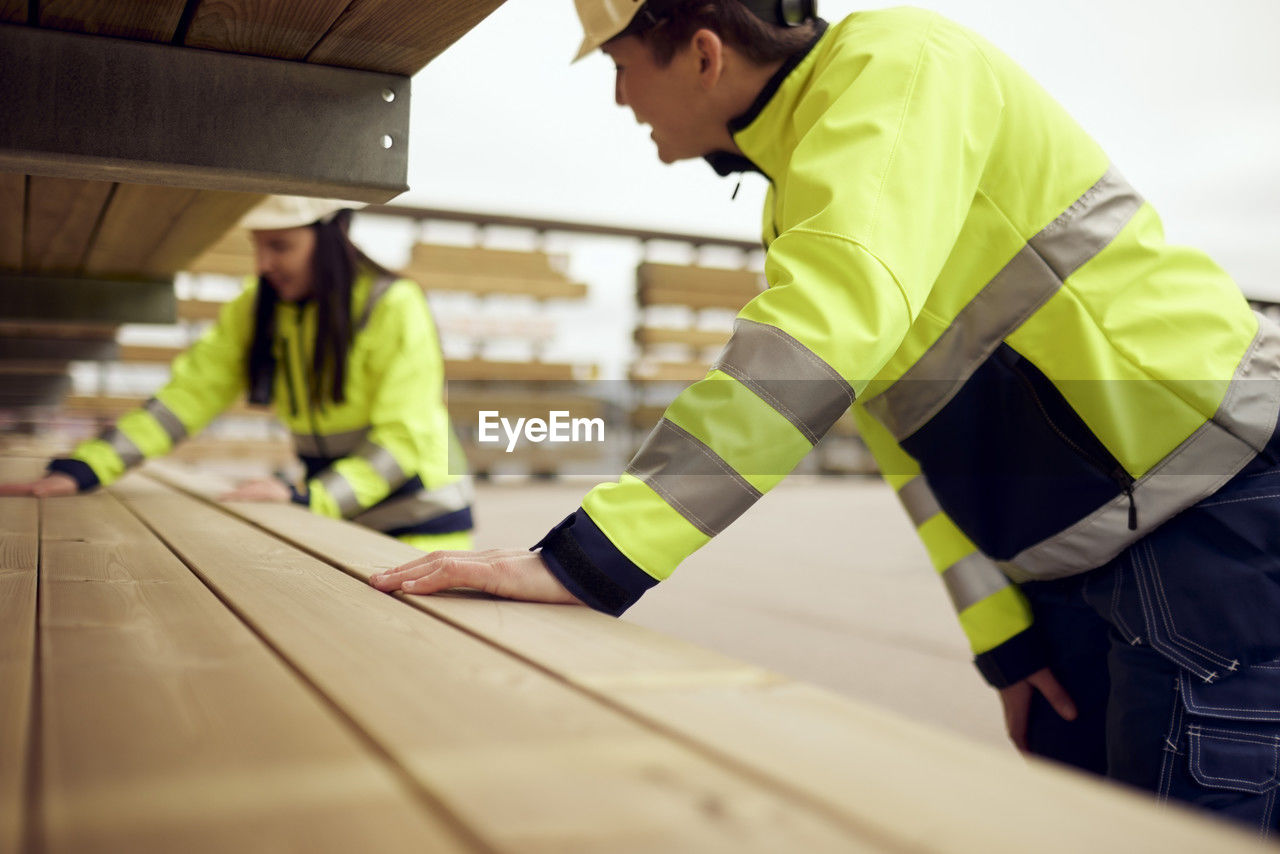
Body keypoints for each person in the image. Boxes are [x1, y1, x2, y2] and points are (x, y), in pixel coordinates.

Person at [369, 0, 1280, 834]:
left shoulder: (894, 66)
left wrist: (585, 560)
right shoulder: (799, 183)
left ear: (701, 53)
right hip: (1081, 558)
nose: (616, 98)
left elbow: (818, 338)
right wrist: (1005, 640)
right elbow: (908, 443)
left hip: (1205, 511)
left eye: (617, 64)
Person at [1, 196, 475, 553]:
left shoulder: (394, 304)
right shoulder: (260, 307)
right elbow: (188, 396)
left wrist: (306, 498)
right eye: (257, 248)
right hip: (332, 513)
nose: (264, 264)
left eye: (280, 246)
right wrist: (91, 466)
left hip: (423, 524)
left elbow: (402, 439)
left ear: (332, 238)